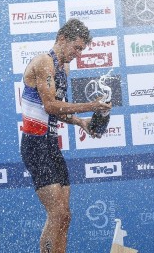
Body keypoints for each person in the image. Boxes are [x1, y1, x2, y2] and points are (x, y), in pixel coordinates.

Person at [20, 18, 112, 253]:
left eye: (82, 50)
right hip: (35, 145)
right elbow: (50, 105)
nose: (78, 54)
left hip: (51, 145)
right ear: (62, 39)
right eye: (76, 48)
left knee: (65, 216)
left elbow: (59, 111)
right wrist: (91, 105)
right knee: (56, 213)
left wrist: (81, 122)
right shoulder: (44, 62)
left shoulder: (64, 69)